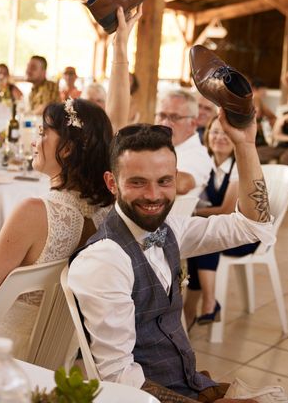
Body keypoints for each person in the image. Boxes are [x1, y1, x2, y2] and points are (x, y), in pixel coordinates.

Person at [0, 6, 141, 356]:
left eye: (42, 133)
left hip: (2, 348)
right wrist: (119, 49)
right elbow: (111, 124)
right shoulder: (107, 205)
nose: (35, 141)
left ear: (68, 150)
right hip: (56, 352)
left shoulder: (33, 212)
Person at [68, 117, 274, 402]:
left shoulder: (171, 230)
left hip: (191, 386)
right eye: (138, 183)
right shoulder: (105, 260)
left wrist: (245, 144)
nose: (153, 195)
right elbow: (119, 379)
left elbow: (252, 226)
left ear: (176, 179)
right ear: (112, 183)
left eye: (164, 181)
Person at [183, 116, 260, 329]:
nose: (219, 137)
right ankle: (191, 311)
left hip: (243, 234)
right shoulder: (203, 161)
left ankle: (206, 303)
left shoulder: (238, 166)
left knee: (208, 236)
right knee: (198, 240)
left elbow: (227, 211)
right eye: (214, 132)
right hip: (220, 229)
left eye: (225, 133)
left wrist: (195, 212)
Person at [155, 90, 213, 198]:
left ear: (193, 123)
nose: (165, 123)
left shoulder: (199, 154)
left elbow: (181, 185)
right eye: (162, 115)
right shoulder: (157, 145)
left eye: (175, 117)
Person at [251, 79, 276, 147]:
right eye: (264, 90)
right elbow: (272, 116)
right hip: (254, 132)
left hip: (255, 131)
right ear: (255, 89)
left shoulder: (255, 99)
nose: (265, 93)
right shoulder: (256, 97)